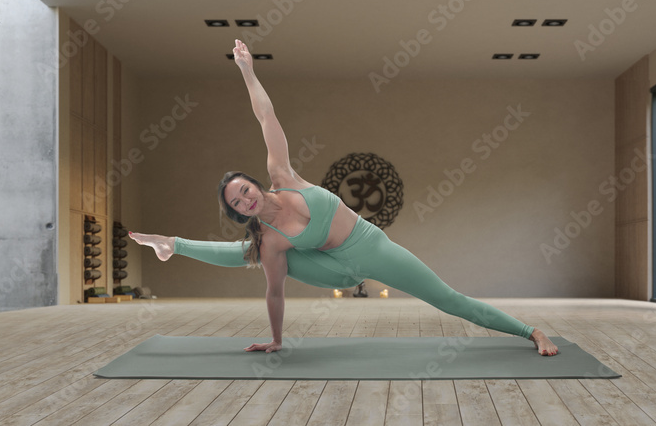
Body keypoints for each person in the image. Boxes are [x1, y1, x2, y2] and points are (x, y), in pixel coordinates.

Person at [129, 39, 559, 356]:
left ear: (256, 185)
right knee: (255, 253)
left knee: (447, 299)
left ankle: (531, 332)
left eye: (245, 191)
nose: (246, 201)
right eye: (237, 204)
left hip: (372, 250)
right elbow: (274, 293)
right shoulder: (270, 236)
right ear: (239, 211)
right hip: (335, 272)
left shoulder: (285, 175)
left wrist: (247, 69)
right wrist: (277, 340)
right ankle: (174, 244)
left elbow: (265, 115)